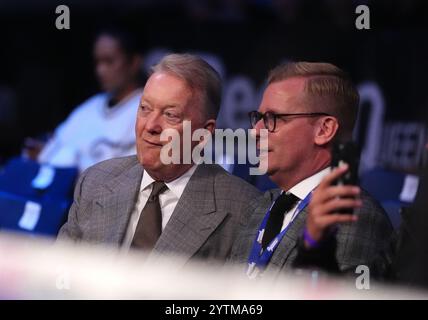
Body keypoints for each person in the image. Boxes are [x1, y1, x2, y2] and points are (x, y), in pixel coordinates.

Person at [57, 53, 261, 267]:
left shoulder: (244, 209)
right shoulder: (95, 181)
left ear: (204, 133)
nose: (151, 125)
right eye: (145, 109)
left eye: (170, 115)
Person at [230, 62, 394, 278]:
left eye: (272, 119)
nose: (255, 132)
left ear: (324, 130)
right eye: (258, 119)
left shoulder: (353, 214)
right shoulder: (258, 207)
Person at [26, 28, 144, 172]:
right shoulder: (89, 107)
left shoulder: (148, 110)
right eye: (97, 62)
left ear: (134, 62)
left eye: (109, 61)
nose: (100, 70)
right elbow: (52, 145)